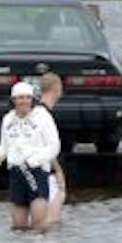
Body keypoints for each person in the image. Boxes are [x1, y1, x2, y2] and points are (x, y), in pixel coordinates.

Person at [0, 80, 61, 231]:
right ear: (13, 100)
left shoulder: (43, 117)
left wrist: (35, 160)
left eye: (27, 98)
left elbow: (54, 146)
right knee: (18, 225)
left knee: (38, 224)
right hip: (16, 173)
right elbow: (4, 146)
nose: (24, 102)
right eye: (20, 98)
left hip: (37, 172)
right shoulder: (7, 119)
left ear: (32, 99)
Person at [36, 72, 68, 227]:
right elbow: (46, 147)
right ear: (56, 88)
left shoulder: (35, 112)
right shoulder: (44, 114)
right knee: (51, 220)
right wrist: (59, 172)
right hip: (47, 173)